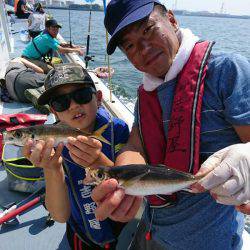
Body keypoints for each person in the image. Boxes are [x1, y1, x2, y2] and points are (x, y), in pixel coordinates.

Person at [84, 1, 250, 249]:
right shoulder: (146, 93)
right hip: (153, 230)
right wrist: (124, 182)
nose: (142, 48)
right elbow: (135, 145)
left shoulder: (227, 70)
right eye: (129, 45)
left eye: (147, 29)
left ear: (172, 20)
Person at [22, 63, 129, 249]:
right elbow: (60, 215)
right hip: (83, 234)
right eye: (60, 102)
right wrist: (52, 168)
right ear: (54, 112)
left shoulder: (117, 130)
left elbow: (131, 182)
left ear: (99, 98)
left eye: (82, 95)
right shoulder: (51, 146)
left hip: (123, 223)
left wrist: (98, 161)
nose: (73, 106)